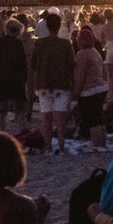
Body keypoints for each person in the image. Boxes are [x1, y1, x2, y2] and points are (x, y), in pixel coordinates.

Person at [29, 11, 76, 154]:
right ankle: (61, 147)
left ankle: (48, 146)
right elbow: (71, 65)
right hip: (61, 84)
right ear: (59, 26)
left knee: (46, 118)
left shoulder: (39, 43)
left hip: (43, 83)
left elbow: (33, 64)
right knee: (61, 119)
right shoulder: (66, 44)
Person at [0, 18, 29, 133]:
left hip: (1, 78)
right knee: (20, 109)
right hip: (17, 79)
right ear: (17, 31)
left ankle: (0, 132)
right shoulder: (18, 43)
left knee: (2, 109)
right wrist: (24, 77)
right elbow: (23, 63)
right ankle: (19, 133)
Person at [73, 27, 109, 150]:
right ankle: (102, 143)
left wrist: (76, 93)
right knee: (100, 118)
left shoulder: (82, 54)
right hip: (101, 88)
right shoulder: (95, 52)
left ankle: (97, 145)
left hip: (89, 91)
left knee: (92, 120)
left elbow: (80, 76)